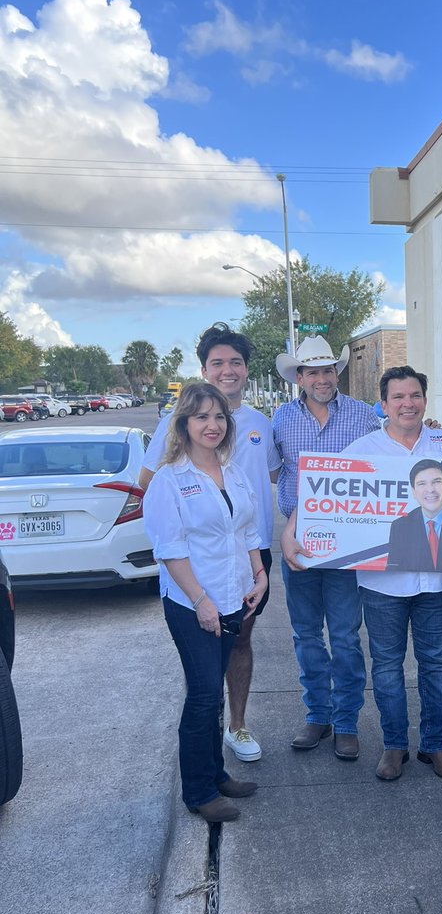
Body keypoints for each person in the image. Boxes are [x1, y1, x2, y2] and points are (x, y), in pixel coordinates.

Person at [341, 366, 442, 783]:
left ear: (424, 401)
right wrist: (294, 533)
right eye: (398, 397)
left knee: (435, 667)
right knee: (387, 668)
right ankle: (394, 746)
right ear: (384, 404)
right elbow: (324, 495)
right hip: (382, 584)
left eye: (414, 395)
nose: (407, 404)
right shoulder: (362, 450)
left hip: (436, 580)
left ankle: (436, 745)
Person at [140, 324, 280, 763]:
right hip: (195, 568)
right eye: (217, 362)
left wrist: (258, 566)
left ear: (246, 369)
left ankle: (236, 728)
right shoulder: (171, 428)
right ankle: (204, 751)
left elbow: (277, 477)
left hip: (249, 557)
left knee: (238, 645)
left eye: (235, 362)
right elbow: (151, 488)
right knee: (202, 674)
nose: (227, 370)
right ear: (204, 369)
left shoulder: (260, 423)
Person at [144, 383, 267, 823]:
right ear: (183, 424)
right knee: (201, 696)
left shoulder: (231, 471)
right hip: (192, 603)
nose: (212, 425)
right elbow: (170, 550)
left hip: (234, 596)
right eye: (201, 417)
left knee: (213, 696)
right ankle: (197, 792)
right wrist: (200, 601)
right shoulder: (169, 480)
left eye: (219, 416)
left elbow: (248, 530)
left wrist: (260, 573)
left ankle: (216, 775)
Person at [274, 336, 380, 761]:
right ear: (299, 377)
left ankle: (346, 722)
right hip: (296, 543)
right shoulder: (280, 419)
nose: (321, 378)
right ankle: (317, 714)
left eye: (327, 370)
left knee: (346, 637)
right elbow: (268, 473)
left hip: (347, 545)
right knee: (306, 636)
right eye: (312, 371)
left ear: (337, 372)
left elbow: (391, 459)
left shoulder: (364, 416)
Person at [387, 459, 442, 572]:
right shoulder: (400, 526)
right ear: (414, 492)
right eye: (422, 483)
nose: (430, 490)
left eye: (436, 482)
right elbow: (394, 569)